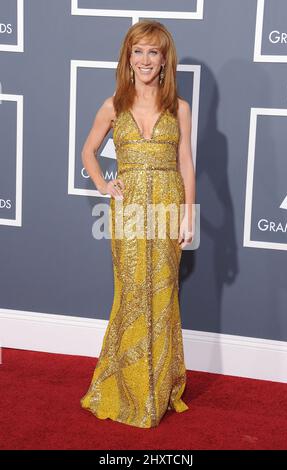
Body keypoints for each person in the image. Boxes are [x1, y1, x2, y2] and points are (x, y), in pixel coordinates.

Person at [80, 19, 196, 428]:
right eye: (138, 51)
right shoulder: (113, 105)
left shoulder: (179, 108)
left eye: (153, 52)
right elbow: (88, 151)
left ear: (164, 61)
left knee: (162, 297)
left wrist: (188, 215)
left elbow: (185, 165)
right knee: (131, 294)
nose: (145, 60)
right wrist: (103, 184)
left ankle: (159, 388)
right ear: (128, 59)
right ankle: (126, 387)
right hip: (128, 212)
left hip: (167, 206)